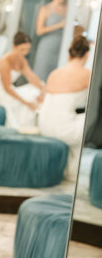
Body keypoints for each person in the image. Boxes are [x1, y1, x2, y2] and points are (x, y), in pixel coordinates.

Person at [38, 35, 91, 179]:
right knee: (88, 122)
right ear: (86, 54)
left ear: (70, 54)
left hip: (44, 125)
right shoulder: (87, 74)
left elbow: (41, 99)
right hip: (64, 129)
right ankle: (72, 172)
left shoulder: (54, 73)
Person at [0, 31, 46, 129]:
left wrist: (43, 90)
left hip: (10, 88)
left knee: (36, 90)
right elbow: (7, 88)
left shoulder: (22, 60)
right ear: (14, 47)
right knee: (24, 102)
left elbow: (32, 77)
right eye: (22, 49)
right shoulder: (5, 62)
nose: (25, 53)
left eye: (27, 49)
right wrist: (26, 103)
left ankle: (34, 124)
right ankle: (21, 127)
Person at [32, 0, 68, 80]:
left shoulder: (68, 10)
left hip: (62, 46)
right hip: (47, 46)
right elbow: (39, 31)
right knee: (42, 73)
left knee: (58, 75)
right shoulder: (46, 9)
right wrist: (59, 25)